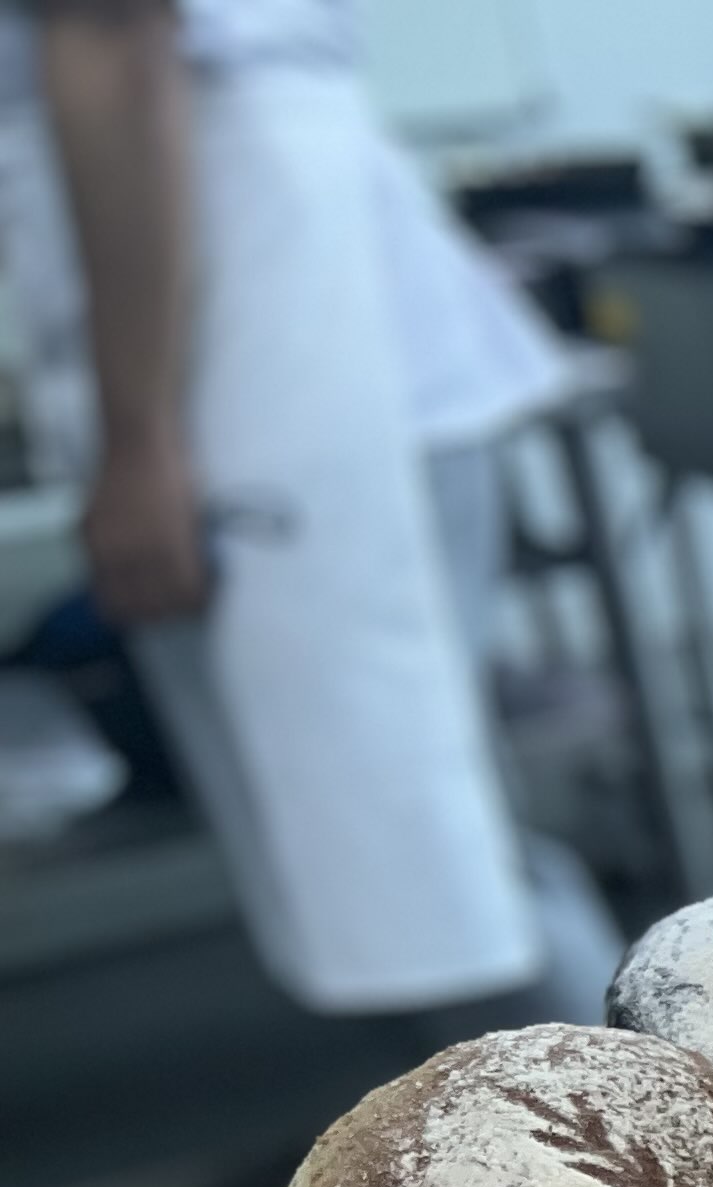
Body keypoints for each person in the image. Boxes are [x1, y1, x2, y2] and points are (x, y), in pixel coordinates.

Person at [0, 0, 608, 1040]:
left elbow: (115, 40)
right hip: (276, 333)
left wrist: (138, 437)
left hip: (279, 354)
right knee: (413, 881)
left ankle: (709, 1183)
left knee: (435, 897)